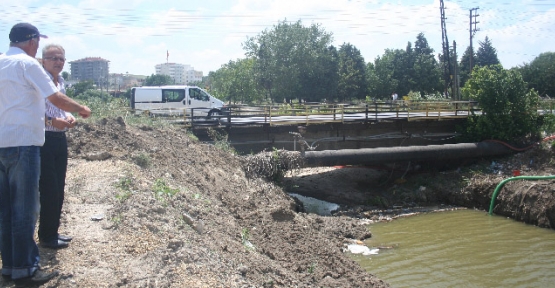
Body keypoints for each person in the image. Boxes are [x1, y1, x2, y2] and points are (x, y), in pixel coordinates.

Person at [0, 23, 91, 286]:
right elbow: (55, 98)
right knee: (25, 210)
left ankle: (10, 267)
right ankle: (26, 269)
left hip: (2, 144)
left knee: (6, 211)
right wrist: (82, 108)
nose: (37, 47)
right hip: (24, 145)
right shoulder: (29, 65)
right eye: (37, 42)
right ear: (31, 42)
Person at [38, 44, 75, 250]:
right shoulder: (38, 82)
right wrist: (52, 122)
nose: (58, 62)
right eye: (53, 58)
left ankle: (52, 231)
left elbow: (61, 108)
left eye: (61, 58)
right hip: (43, 138)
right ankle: (46, 236)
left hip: (60, 139)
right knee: (49, 189)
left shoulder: (60, 82)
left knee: (59, 187)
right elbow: (32, 113)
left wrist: (68, 117)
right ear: (43, 60)